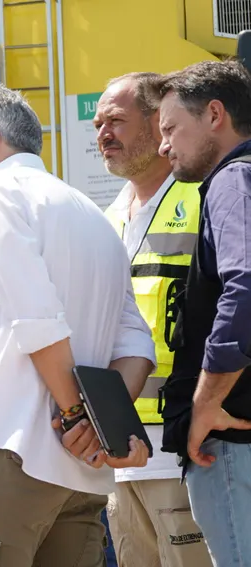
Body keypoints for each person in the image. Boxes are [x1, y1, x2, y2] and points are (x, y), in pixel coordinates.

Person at [0, 85, 157, 567]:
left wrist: (76, 413)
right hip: (82, 471)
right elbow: (137, 342)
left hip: (10, 446)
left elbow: (34, 315)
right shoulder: (94, 215)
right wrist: (99, 426)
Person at [95, 72, 212, 567]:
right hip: (122, 449)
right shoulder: (106, 218)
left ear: (157, 121)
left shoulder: (203, 196)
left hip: (187, 444)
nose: (103, 133)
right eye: (98, 125)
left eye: (116, 120)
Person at [152, 60, 251, 567]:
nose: (163, 146)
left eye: (170, 129)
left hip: (233, 442)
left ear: (214, 114)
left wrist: (206, 401)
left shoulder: (234, 180)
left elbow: (246, 284)